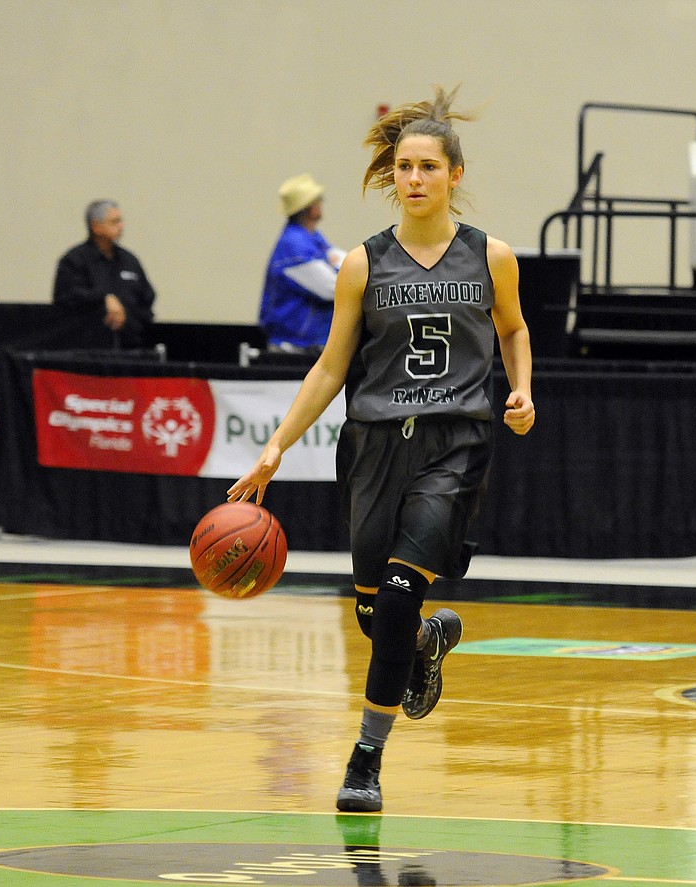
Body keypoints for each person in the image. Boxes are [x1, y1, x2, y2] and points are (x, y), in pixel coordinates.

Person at [228, 86, 535, 813]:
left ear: (455, 174)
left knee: (397, 593)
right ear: (391, 175)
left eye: (429, 166)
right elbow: (331, 366)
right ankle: (423, 641)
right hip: (372, 445)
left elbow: (514, 328)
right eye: (404, 166)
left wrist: (522, 390)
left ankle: (365, 758)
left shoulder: (491, 257)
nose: (415, 178)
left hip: (455, 442)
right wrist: (276, 444)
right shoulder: (363, 264)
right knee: (376, 614)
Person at [258, 173, 346, 351]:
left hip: (306, 343)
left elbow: (347, 262)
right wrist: (338, 269)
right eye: (319, 200)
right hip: (292, 347)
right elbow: (334, 287)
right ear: (310, 208)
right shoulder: (295, 245)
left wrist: (339, 268)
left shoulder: (312, 237)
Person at [53, 199, 157, 348]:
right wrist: (103, 298)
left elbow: (147, 297)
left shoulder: (129, 260)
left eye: (121, 221)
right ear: (96, 227)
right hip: (89, 347)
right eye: (115, 222)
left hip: (131, 345)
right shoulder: (74, 260)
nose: (121, 226)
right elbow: (67, 296)